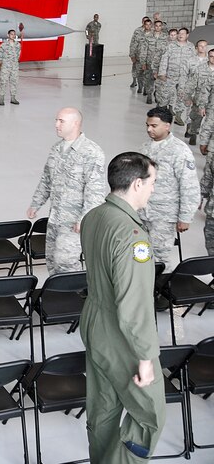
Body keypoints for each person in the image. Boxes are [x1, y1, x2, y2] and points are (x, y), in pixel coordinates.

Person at [80, 152, 165, 463]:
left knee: (103, 409)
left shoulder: (94, 217)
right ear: (137, 183)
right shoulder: (132, 237)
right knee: (150, 417)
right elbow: (133, 305)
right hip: (121, 336)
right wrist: (145, 358)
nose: (154, 189)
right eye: (152, 183)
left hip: (94, 324)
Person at [27, 108, 106, 274]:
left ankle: (74, 297)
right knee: (51, 260)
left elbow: (95, 192)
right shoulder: (56, 149)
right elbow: (46, 179)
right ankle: (58, 297)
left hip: (74, 222)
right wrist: (36, 203)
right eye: (56, 120)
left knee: (66, 263)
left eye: (61, 121)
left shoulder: (91, 152)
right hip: (55, 219)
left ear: (75, 123)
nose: (56, 125)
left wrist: (84, 219)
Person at [139, 106, 199, 272]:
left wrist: (185, 217)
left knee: (159, 257)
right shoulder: (145, 148)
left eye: (153, 126)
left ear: (167, 126)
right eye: (147, 125)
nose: (149, 129)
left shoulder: (179, 151)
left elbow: (189, 186)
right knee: (140, 252)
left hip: (164, 215)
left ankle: (160, 292)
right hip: (143, 212)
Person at [158, 28, 196, 125]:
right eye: (179, 33)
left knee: (181, 95)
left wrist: (193, 75)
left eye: (183, 33)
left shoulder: (191, 46)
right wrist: (162, 73)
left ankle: (178, 116)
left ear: (187, 35)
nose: (180, 35)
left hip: (184, 76)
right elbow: (164, 59)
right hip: (171, 75)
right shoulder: (171, 45)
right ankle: (162, 114)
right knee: (166, 94)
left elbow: (193, 62)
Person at [180, 40, 209, 145]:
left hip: (205, 92)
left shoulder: (210, 60)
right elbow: (184, 75)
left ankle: (194, 131)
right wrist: (183, 91)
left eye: (204, 46)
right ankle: (190, 128)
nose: (202, 48)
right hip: (192, 90)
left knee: (200, 113)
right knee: (190, 112)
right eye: (200, 46)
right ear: (197, 47)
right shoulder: (190, 60)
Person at [0, 29, 21, 105]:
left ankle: (13, 98)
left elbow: (18, 54)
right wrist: (2, 62)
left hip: (14, 66)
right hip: (6, 66)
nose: (13, 35)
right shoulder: (3, 45)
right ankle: (1, 98)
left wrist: (15, 62)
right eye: (11, 34)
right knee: (3, 82)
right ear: (8, 35)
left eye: (14, 34)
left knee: (14, 82)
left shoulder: (18, 45)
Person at [129, 17, 150, 90]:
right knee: (137, 70)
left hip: (148, 57)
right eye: (144, 22)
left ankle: (145, 88)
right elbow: (133, 43)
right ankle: (136, 82)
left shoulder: (152, 32)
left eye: (147, 23)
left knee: (147, 72)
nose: (146, 24)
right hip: (138, 55)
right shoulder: (138, 31)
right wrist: (132, 54)